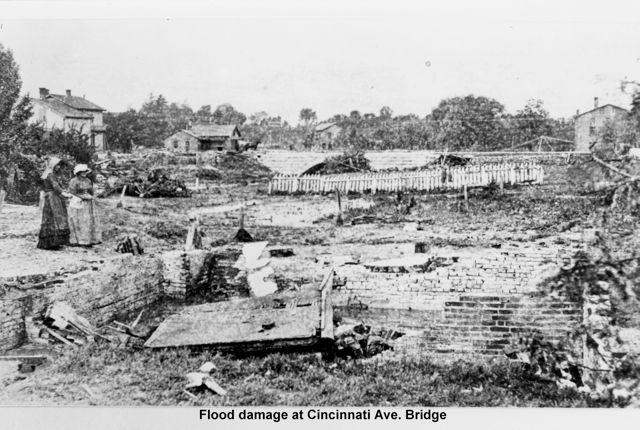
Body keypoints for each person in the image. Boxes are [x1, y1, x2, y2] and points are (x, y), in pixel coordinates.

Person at [37, 157, 70, 249]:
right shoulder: (50, 174)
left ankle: (55, 242)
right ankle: (50, 243)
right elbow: (55, 187)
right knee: (53, 218)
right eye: (57, 165)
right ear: (53, 165)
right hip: (52, 197)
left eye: (59, 165)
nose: (59, 167)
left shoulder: (52, 174)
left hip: (54, 197)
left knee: (55, 218)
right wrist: (64, 194)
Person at [68, 164, 102, 247]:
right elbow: (72, 192)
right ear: (78, 172)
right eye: (82, 172)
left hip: (88, 202)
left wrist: (92, 196)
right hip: (78, 202)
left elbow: (91, 190)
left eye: (85, 171)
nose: (84, 173)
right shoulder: (73, 181)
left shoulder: (88, 180)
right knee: (79, 221)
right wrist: (81, 197)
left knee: (88, 221)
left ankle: (90, 239)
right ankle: (79, 240)